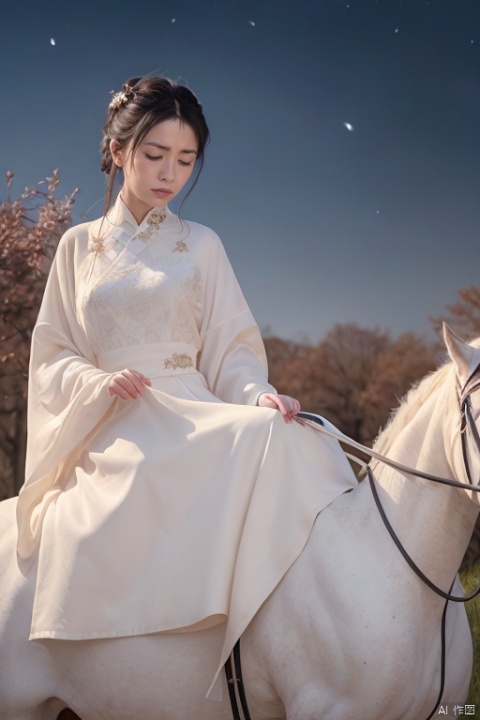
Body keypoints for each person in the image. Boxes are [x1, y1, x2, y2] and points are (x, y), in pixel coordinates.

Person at [16, 76, 357, 689]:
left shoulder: (202, 245)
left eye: (185, 159)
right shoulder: (76, 248)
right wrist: (97, 380)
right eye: (153, 155)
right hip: (115, 417)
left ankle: (316, 632)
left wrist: (258, 393)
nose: (168, 173)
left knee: (297, 434)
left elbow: (230, 347)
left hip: (192, 407)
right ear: (119, 153)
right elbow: (52, 352)